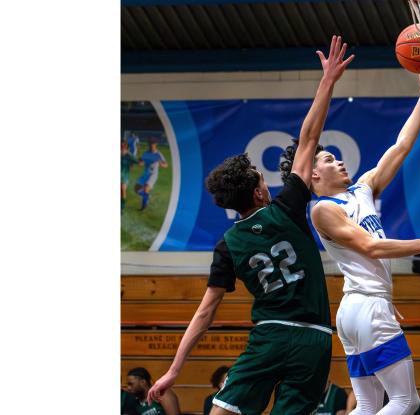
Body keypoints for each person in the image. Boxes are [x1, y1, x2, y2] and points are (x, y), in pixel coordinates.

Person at [145, 35, 354, 415]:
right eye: (263, 180)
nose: (268, 184)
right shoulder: (289, 207)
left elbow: (205, 312)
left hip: (269, 337)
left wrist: (174, 370)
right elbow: (309, 137)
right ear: (259, 194)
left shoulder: (228, 243)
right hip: (315, 340)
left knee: (222, 413)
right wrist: (327, 82)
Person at [283, 71, 420, 415]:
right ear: (312, 174)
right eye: (329, 160)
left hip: (362, 308)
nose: (339, 161)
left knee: (369, 405)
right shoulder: (323, 209)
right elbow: (371, 248)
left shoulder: (363, 188)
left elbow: (401, 147)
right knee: (406, 401)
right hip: (365, 308)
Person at [134, 136, 168, 211]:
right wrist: (140, 162)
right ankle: (147, 197)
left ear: (156, 144)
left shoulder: (158, 154)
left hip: (153, 175)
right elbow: (141, 162)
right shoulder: (146, 153)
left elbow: (166, 165)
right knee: (136, 189)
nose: (151, 144)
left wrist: (161, 164)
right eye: (149, 143)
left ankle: (143, 207)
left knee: (145, 188)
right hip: (145, 174)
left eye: (152, 143)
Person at [122, 139, 139, 212]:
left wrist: (129, 156)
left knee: (123, 190)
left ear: (126, 146)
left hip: (124, 176)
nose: (122, 147)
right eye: (121, 145)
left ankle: (121, 208)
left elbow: (137, 161)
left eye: (123, 145)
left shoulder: (129, 155)